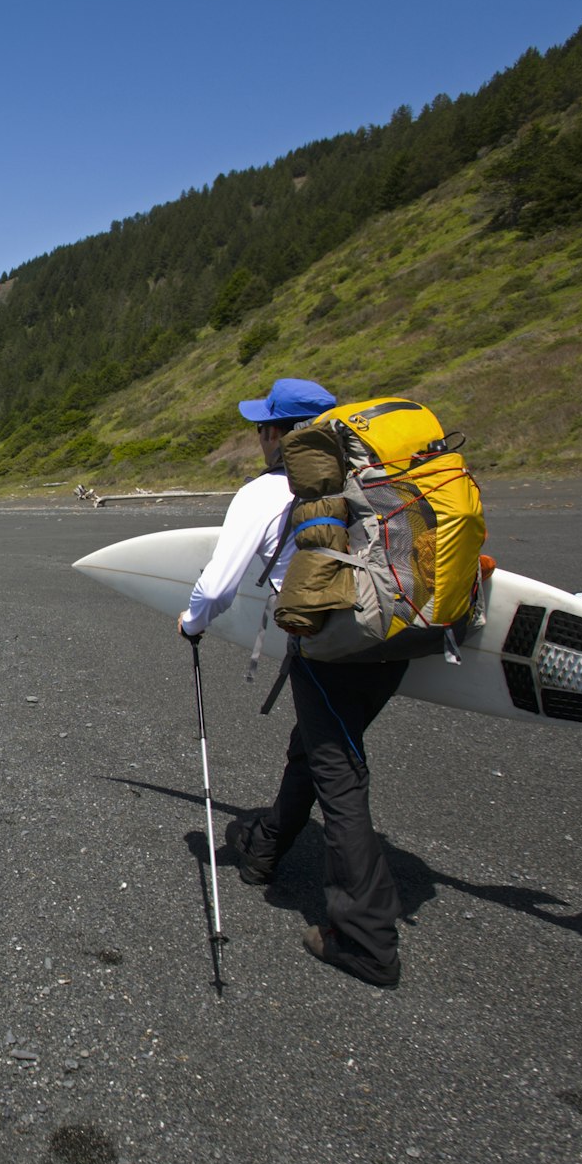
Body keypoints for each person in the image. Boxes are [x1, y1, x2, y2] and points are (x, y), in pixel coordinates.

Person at [175, 377, 406, 989]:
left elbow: (218, 585)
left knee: (340, 775)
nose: (258, 438)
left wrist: (191, 622)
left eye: (262, 428)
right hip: (401, 633)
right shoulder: (378, 476)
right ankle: (267, 850)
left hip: (332, 645)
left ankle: (366, 940)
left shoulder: (270, 489)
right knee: (319, 744)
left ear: (281, 434)